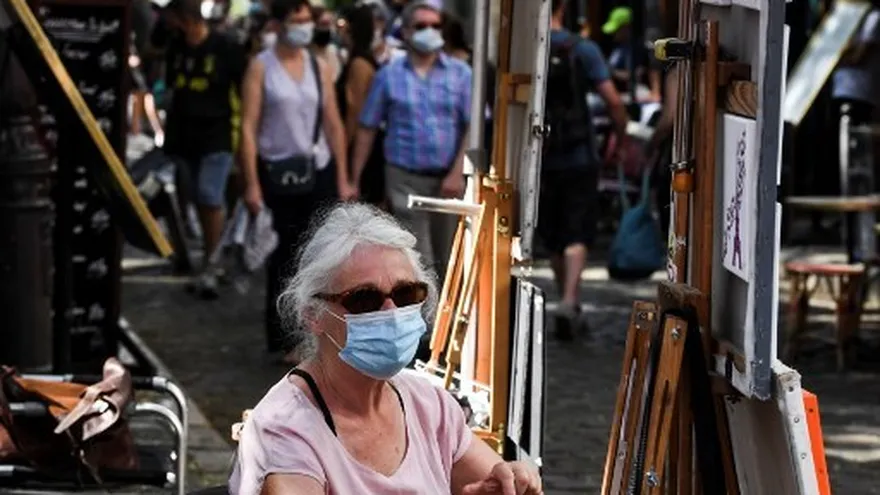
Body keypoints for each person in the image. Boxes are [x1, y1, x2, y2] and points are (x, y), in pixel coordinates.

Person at [229, 203, 543, 495]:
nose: (391, 311)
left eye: (406, 294)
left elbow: (496, 481)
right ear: (313, 315)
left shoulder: (429, 405)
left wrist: (513, 479)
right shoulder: (284, 430)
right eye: (364, 299)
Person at [239, 0, 355, 362]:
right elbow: (248, 127)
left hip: (316, 166)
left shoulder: (318, 66)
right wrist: (251, 183)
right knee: (284, 257)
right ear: (280, 23)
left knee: (318, 255)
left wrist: (343, 176)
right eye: (297, 20)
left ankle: (317, 332)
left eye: (307, 20)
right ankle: (286, 337)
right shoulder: (261, 67)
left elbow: (333, 122)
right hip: (277, 171)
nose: (304, 27)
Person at [351, 0, 471, 280]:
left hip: (449, 183)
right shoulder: (388, 76)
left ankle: (449, 321)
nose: (429, 31)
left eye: (435, 26)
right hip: (404, 180)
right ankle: (426, 323)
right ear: (404, 32)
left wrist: (458, 173)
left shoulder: (462, 74)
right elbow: (367, 128)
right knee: (419, 260)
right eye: (421, 26)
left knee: (451, 259)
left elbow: (473, 127)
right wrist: (353, 178)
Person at [541, 0, 628, 340]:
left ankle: (567, 301)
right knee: (577, 232)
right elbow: (614, 102)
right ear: (563, 7)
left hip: (543, 157)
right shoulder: (584, 49)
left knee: (553, 234)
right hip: (580, 154)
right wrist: (620, 140)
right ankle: (569, 299)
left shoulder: (526, 49)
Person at [153, 0, 247, 298]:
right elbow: (163, 70)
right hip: (184, 137)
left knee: (209, 195)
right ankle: (212, 255)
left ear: (184, 17)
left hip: (217, 135)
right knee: (198, 199)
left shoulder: (225, 48)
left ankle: (213, 262)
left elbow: (243, 93)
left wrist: (244, 138)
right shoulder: (175, 46)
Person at [337, 4, 387, 206]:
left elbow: (354, 111)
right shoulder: (366, 60)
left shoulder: (359, 64)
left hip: (362, 151)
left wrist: (344, 150)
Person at [310, 5, 343, 81]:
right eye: (324, 24)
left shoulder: (333, 51)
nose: (328, 28)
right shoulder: (304, 54)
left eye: (330, 24)